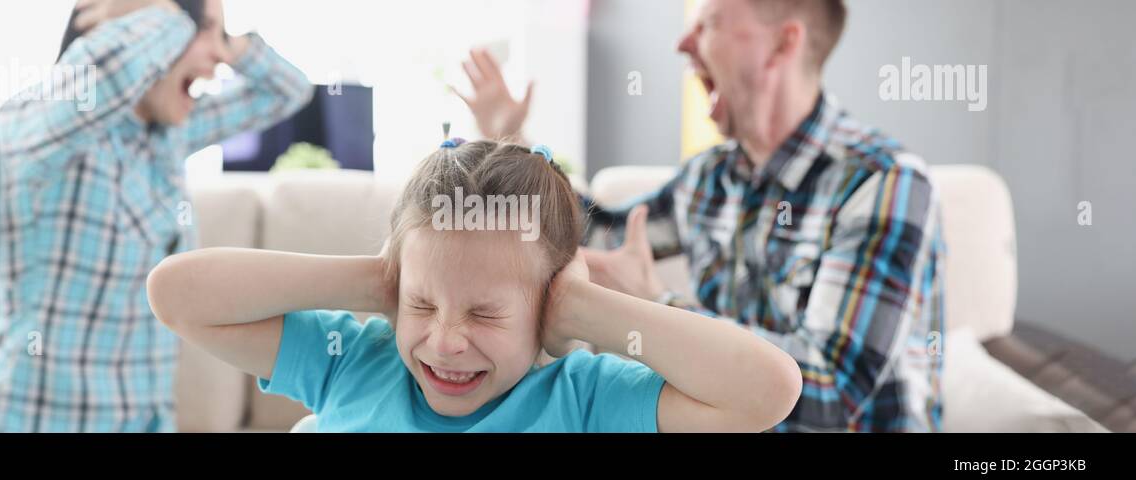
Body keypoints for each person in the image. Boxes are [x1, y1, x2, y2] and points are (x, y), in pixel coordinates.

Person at [456, 0, 944, 432]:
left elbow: (830, 396)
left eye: (707, 24)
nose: (681, 43)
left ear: (781, 44)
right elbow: (597, 235)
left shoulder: (883, 182)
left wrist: (656, 305)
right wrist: (515, 140)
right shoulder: (710, 176)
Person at [145, 139, 802, 432]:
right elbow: (174, 294)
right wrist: (377, 280)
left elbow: (769, 390)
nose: (445, 340)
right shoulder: (355, 363)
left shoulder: (583, 399)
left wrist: (580, 307)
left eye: (486, 313)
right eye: (422, 304)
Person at [0, 0, 313, 432]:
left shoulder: (166, 136)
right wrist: (164, 11)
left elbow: (288, 89)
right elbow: (113, 71)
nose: (219, 55)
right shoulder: (40, 125)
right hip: (31, 419)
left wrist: (222, 37)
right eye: (204, 31)